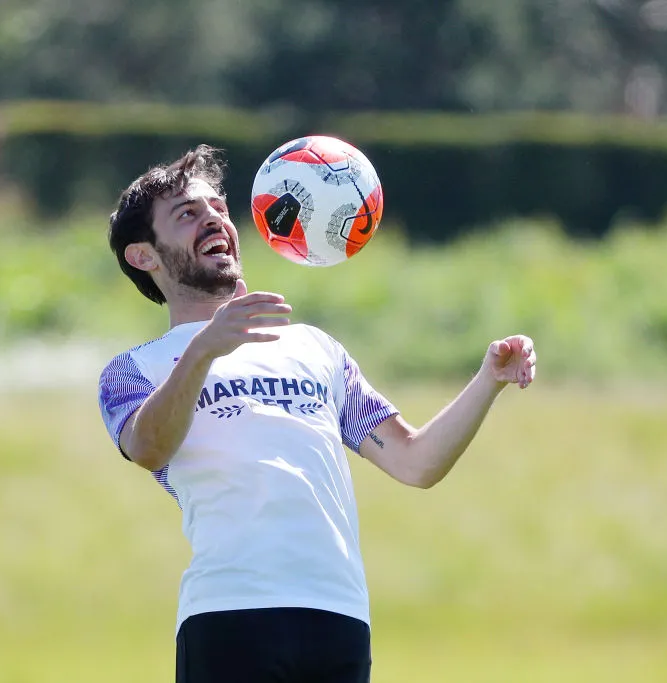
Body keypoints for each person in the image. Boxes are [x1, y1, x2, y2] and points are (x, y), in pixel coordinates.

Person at [97, 144, 536, 683]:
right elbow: (149, 447)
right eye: (188, 213)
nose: (214, 218)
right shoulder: (136, 370)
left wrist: (488, 380)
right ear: (144, 255)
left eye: (218, 207)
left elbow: (415, 463)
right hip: (230, 615)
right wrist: (205, 349)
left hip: (338, 617)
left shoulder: (314, 348)